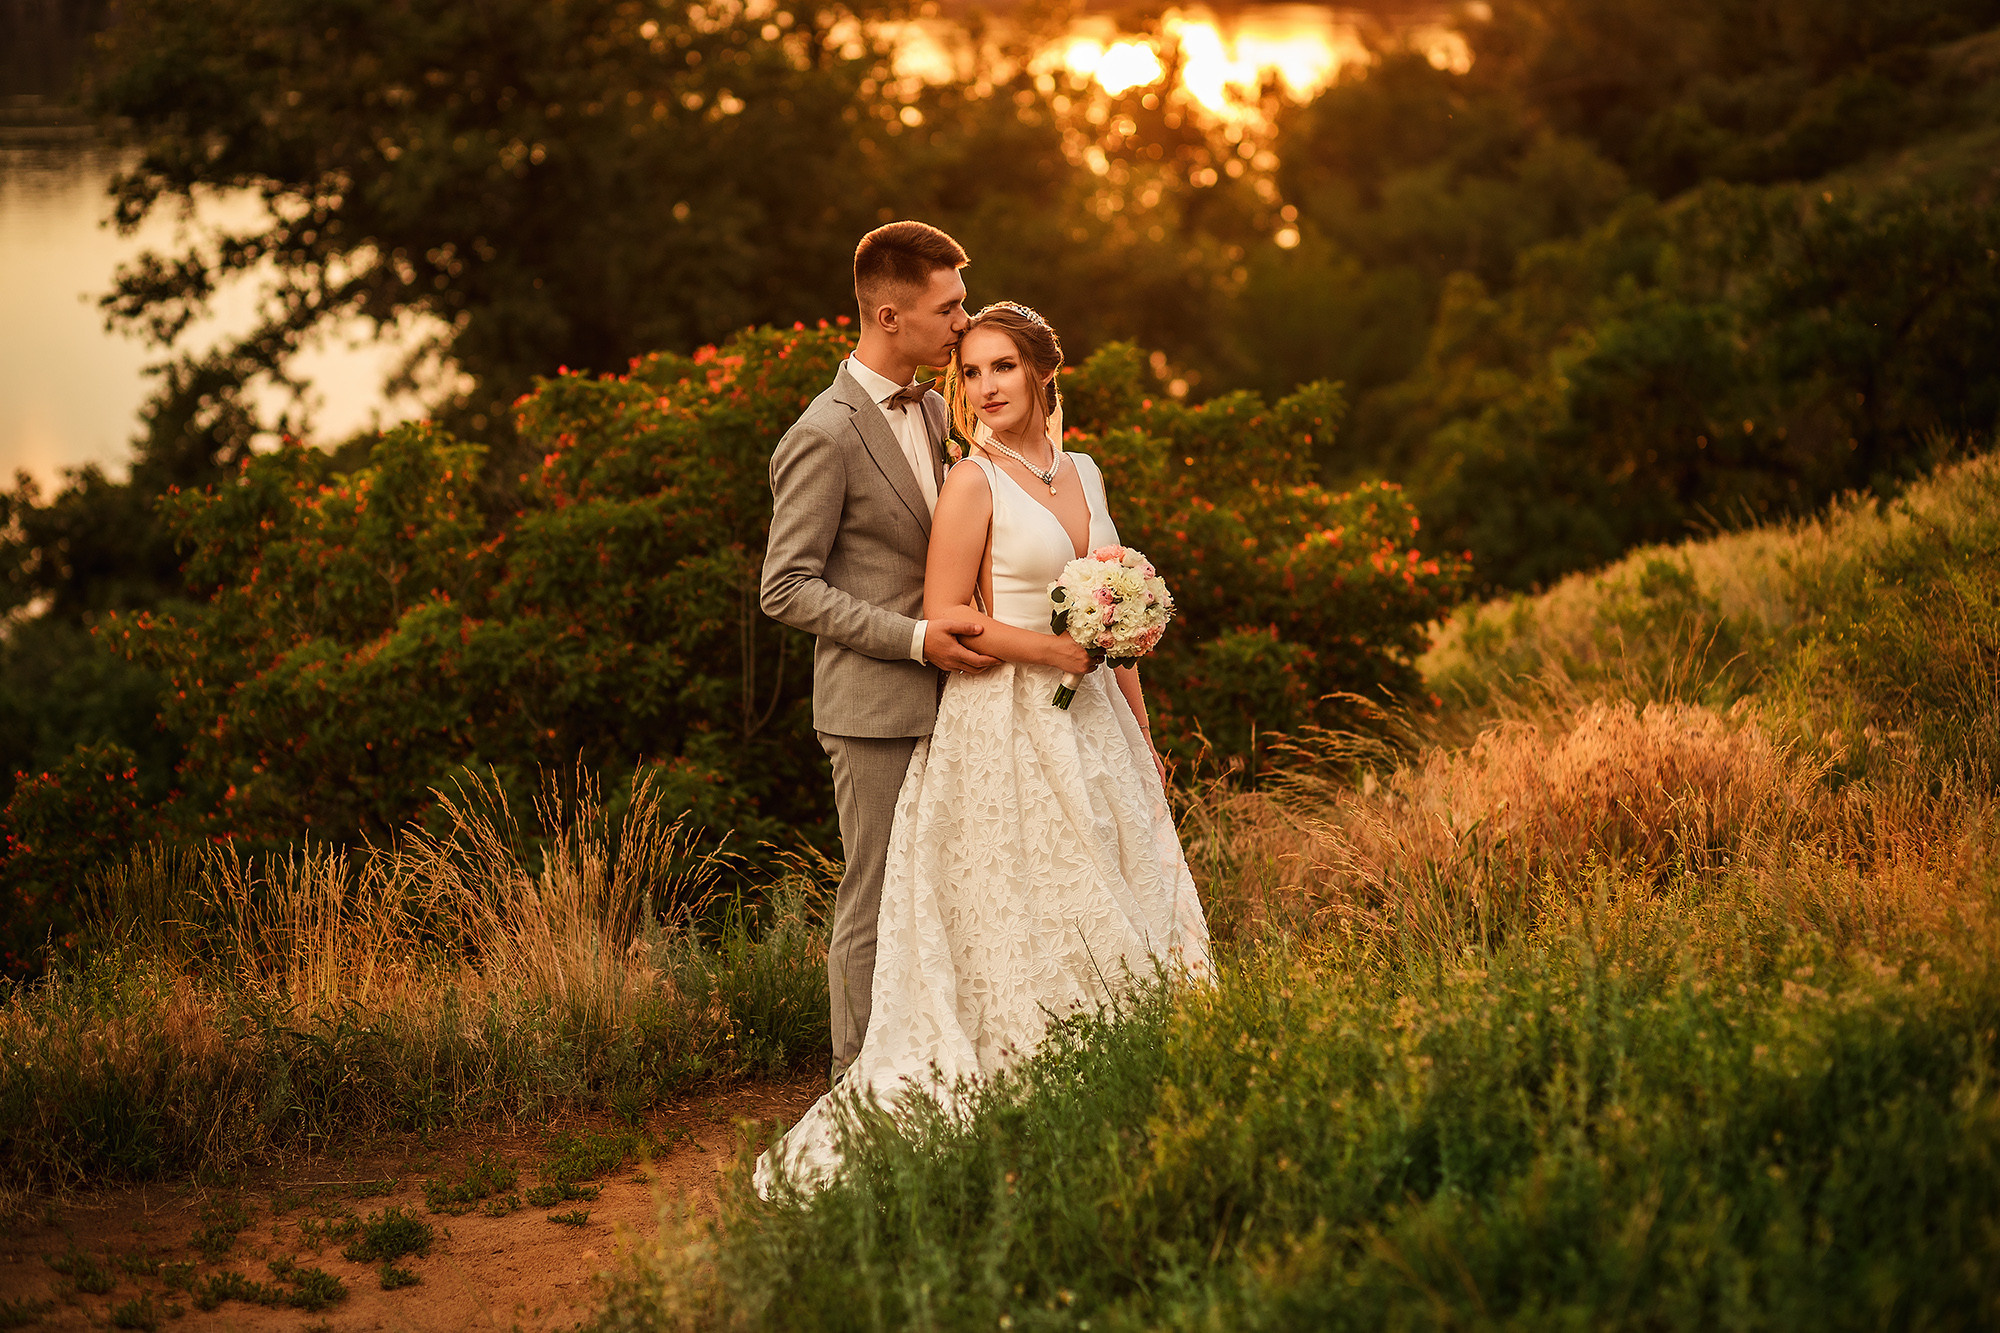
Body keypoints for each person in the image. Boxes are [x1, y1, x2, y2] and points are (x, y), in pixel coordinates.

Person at [757, 301, 1212, 1194]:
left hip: (1096, 718)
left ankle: (1130, 1068)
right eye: (970, 371)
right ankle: (1017, 1067)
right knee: (1029, 894)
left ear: (1042, 371)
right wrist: (1047, 650)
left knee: (1120, 881)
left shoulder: (1085, 471)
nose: (984, 386)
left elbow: (1109, 618)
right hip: (1004, 716)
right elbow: (946, 612)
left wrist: (1142, 734)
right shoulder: (972, 480)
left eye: (1001, 366)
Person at [760, 221, 999, 1089]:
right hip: (872, 709)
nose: (964, 323)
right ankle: (853, 1085)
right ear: (890, 315)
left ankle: (931, 1063)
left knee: (943, 892)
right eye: (950, 308)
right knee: (876, 895)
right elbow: (785, 586)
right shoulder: (822, 433)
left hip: (957, 699)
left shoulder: (936, 408)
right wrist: (913, 638)